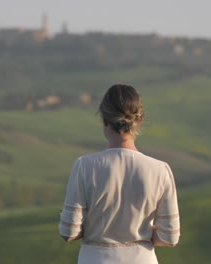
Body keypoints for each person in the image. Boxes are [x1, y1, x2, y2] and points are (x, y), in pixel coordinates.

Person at [59, 84, 180, 264]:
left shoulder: (84, 166)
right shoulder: (160, 170)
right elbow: (169, 236)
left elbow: (69, 232)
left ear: (105, 119)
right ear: (139, 120)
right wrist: (139, 234)